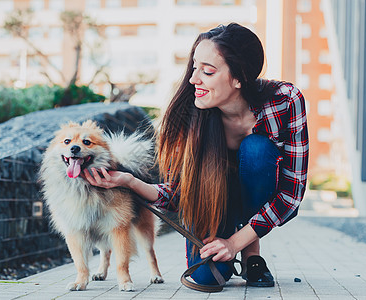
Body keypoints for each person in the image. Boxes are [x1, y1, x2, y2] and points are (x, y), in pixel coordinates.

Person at [83, 22, 309, 288]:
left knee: (256, 149)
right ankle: (238, 248)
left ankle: (251, 256)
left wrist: (234, 243)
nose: (193, 79)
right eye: (194, 67)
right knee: (206, 278)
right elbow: (180, 193)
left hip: (260, 191)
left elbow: (290, 194)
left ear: (239, 77)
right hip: (215, 203)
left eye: (208, 71)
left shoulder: (286, 101)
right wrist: (130, 182)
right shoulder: (190, 115)